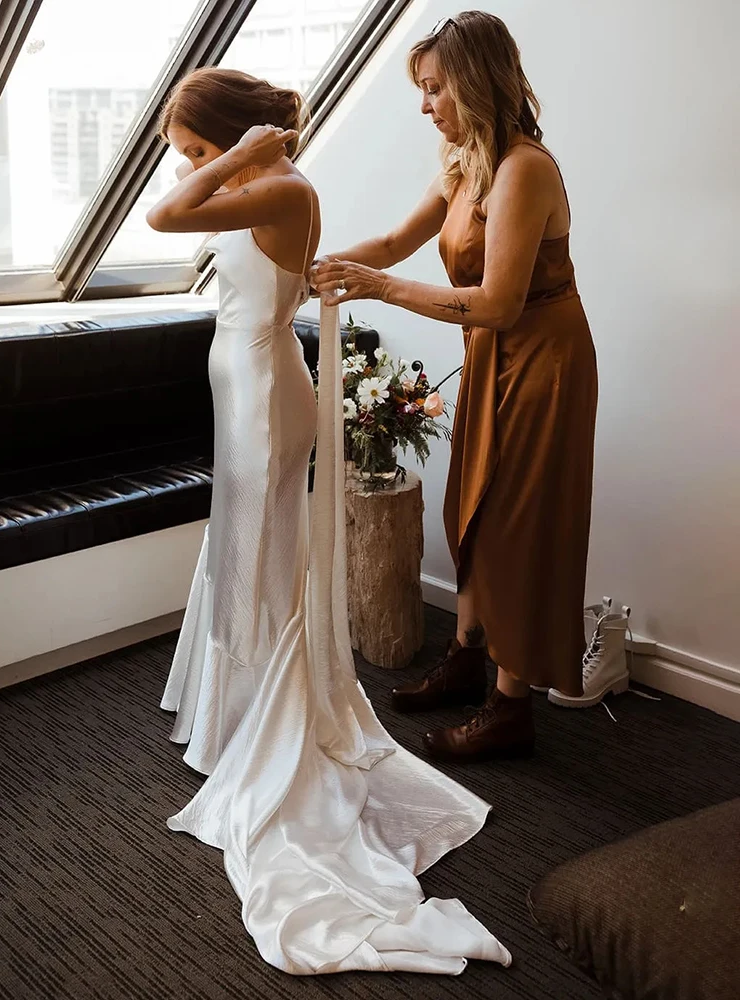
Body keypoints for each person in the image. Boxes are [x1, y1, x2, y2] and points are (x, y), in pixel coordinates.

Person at [146, 66, 510, 976]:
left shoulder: (276, 184)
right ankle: (233, 725)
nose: (194, 167)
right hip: (243, 391)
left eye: (199, 147)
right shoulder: (250, 183)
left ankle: (265, 730)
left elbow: (162, 217)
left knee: (262, 556)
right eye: (189, 156)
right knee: (240, 555)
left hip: (268, 395)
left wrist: (237, 154)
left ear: (237, 138)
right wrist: (226, 156)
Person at [312, 12, 598, 763]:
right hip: (491, 352)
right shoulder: (463, 158)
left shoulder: (526, 169)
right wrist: (310, 269)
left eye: (434, 88)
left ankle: (509, 707)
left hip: (542, 356)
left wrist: (377, 288)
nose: (425, 104)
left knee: (516, 523)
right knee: (467, 506)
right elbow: (391, 244)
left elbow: (500, 301)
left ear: (474, 81)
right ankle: (469, 656)